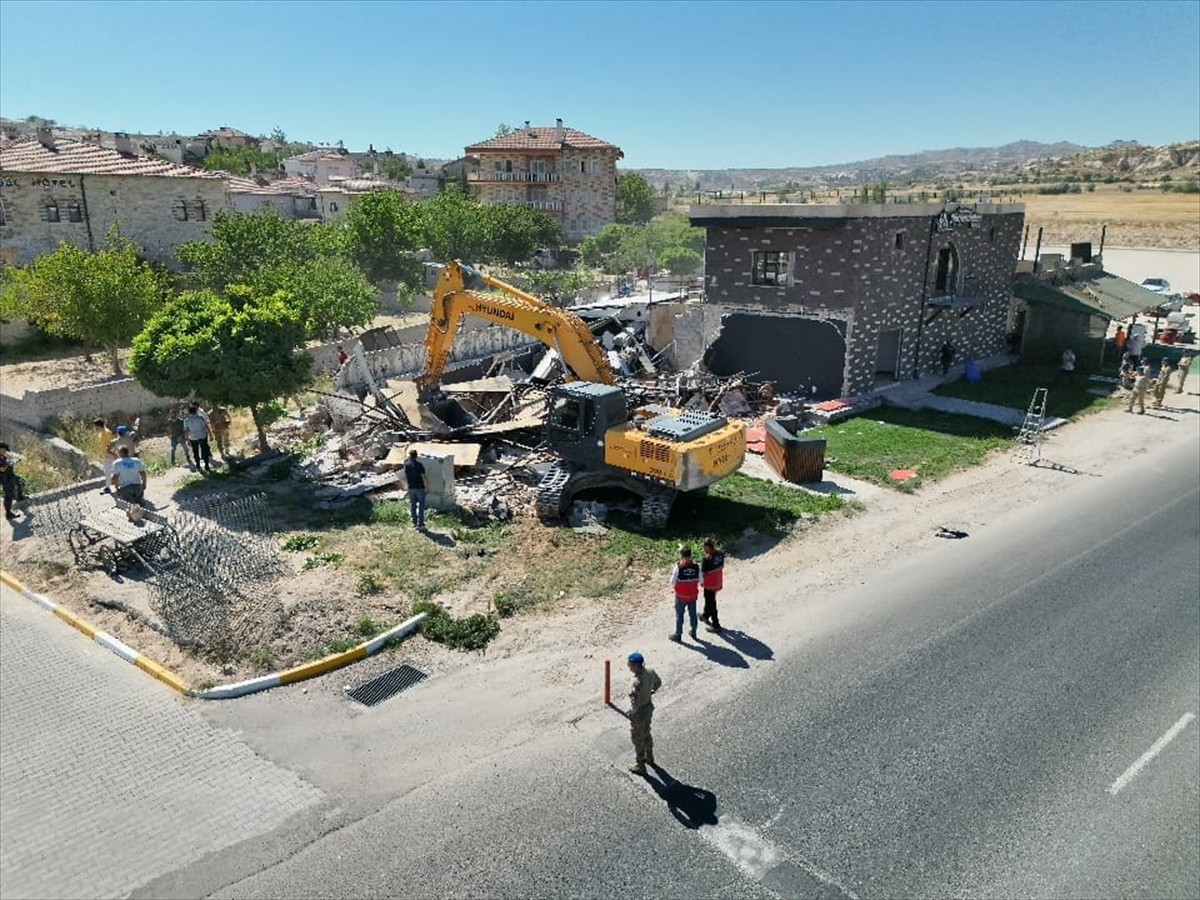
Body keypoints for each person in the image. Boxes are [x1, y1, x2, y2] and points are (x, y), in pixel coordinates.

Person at [626, 651, 662, 776]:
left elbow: (634, 701)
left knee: (637, 738)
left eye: (630, 664)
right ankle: (650, 757)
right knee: (647, 732)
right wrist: (651, 691)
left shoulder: (636, 682)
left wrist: (631, 713)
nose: (628, 666)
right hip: (648, 708)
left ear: (636, 666)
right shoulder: (650, 672)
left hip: (639, 713)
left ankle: (640, 765)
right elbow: (658, 683)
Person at [668, 545, 701, 643]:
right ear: (690, 555)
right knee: (693, 615)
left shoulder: (678, 568)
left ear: (681, 556)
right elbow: (701, 579)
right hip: (692, 596)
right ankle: (693, 632)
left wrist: (675, 587)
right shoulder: (696, 567)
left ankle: (678, 634)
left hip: (681, 596)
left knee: (679, 615)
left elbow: (672, 582)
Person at [699, 537, 725, 634]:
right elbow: (721, 566)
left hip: (709, 584)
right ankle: (705, 615)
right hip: (717, 582)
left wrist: (701, 582)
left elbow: (703, 573)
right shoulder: (720, 554)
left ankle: (716, 625)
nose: (703, 549)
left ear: (707, 547)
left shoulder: (706, 559)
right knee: (709, 599)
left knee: (711, 603)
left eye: (704, 547)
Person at [182, 404, 213, 473]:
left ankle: (198, 465)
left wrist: (187, 439)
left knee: (195, 451)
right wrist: (210, 435)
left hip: (193, 437)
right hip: (202, 436)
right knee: (205, 450)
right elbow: (206, 427)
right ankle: (206, 465)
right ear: (196, 411)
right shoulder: (200, 418)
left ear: (189, 412)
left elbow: (186, 431)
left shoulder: (186, 420)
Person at [404, 449, 428, 529]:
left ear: (410, 456)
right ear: (416, 456)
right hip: (420, 488)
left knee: (413, 506)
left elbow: (406, 477)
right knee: (421, 506)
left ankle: (414, 523)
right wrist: (427, 487)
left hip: (411, 488)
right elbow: (423, 477)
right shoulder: (419, 465)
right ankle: (420, 524)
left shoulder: (407, 465)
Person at [93, 418, 115, 490]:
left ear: (99, 426)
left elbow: (112, 444)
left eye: (95, 426)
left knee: (108, 471)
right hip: (106, 455)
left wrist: (112, 453)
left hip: (110, 455)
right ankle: (110, 486)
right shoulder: (101, 433)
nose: (94, 428)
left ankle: (109, 487)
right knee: (108, 471)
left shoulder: (107, 433)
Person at [0, 443, 20, 521]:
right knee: (9, 494)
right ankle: (8, 513)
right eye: (2, 449)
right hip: (4, 477)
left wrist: (17, 459)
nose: (4, 450)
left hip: (9, 476)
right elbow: (2, 469)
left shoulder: (5, 455)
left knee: (20, 481)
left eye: (5, 448)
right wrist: (9, 462)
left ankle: (20, 496)